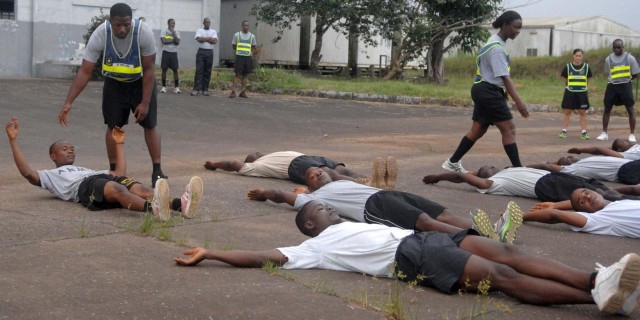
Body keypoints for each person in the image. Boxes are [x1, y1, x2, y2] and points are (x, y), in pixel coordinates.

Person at [175, 200, 640, 316]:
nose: (329, 207)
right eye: (320, 209)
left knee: (506, 250)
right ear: (311, 224)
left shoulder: (352, 221)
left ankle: (595, 279)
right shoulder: (311, 246)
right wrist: (212, 251)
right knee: (500, 277)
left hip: (424, 240)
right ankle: (596, 295)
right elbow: (261, 256)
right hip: (411, 257)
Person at [248, 166, 523, 244]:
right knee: (425, 223)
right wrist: (263, 191)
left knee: (442, 213)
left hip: (389, 194)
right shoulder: (314, 198)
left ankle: (489, 231)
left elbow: (348, 173)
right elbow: (281, 195)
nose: (317, 172)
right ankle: (485, 241)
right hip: (375, 207)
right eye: (311, 175)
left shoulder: (341, 180)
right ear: (309, 187)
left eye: (319, 169)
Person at [6, 117, 203, 221]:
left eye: (72, 149)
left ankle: (179, 205)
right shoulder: (50, 175)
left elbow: (119, 174)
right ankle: (154, 210)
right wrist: (13, 141)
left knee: (141, 189)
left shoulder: (85, 168)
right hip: (85, 187)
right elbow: (27, 173)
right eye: (64, 149)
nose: (70, 151)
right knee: (118, 189)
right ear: (53, 156)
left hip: (98, 177)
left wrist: (119, 143)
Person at [56, 3, 167, 188]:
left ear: (131, 21)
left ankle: (157, 171)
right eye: (118, 25)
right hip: (114, 86)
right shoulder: (101, 34)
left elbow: (149, 70)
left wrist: (145, 102)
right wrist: (68, 102)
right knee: (113, 127)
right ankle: (114, 171)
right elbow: (85, 71)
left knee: (150, 124)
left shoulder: (143, 32)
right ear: (111, 22)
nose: (122, 29)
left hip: (140, 84)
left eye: (126, 24)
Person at [442, 11, 529, 173]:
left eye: (520, 28)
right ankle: (519, 171)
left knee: (478, 129)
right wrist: (519, 102)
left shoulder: (497, 42)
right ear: (505, 25)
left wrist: (503, 93)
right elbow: (505, 77)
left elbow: (495, 75)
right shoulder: (496, 48)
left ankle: (452, 162)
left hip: (484, 89)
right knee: (509, 129)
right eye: (515, 27)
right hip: (487, 91)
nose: (517, 31)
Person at [423, 166, 640, 202]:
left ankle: (631, 200)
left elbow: (540, 165)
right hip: (546, 186)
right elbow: (462, 177)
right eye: (485, 168)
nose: (490, 166)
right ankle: (630, 205)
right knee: (601, 199)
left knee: (602, 188)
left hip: (555, 177)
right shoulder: (493, 182)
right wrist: (440, 176)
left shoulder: (511, 169)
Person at [203, 151, 390, 188]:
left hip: (300, 161)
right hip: (299, 161)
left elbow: (232, 164)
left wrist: (214, 165)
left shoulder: (264, 159)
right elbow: (233, 165)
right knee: (336, 172)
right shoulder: (255, 165)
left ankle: (371, 183)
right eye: (253, 154)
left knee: (338, 171)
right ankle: (370, 182)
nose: (255, 153)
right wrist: (214, 165)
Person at [524, 188, 640, 239]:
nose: (588, 197)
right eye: (582, 201)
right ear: (584, 212)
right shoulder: (600, 219)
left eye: (587, 192)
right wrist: (521, 216)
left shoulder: (616, 203)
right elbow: (555, 215)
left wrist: (556, 204)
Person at [597, 39, 640, 143]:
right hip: (612, 86)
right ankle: (604, 133)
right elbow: (609, 72)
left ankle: (632, 134)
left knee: (630, 110)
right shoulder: (608, 59)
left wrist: (628, 79)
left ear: (623, 47)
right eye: (614, 47)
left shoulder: (629, 58)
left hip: (625, 86)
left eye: (619, 47)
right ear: (612, 47)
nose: (616, 49)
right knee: (607, 109)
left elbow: (636, 74)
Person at [529, 155, 640, 185]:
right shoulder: (574, 169)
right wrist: (519, 167)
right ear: (566, 165)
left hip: (632, 164)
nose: (570, 156)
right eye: (567, 159)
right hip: (629, 171)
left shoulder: (588, 159)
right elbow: (545, 167)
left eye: (569, 155)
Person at [559, 49, 592, 140]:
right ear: (573, 56)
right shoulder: (568, 67)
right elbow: (563, 77)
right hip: (570, 92)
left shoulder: (586, 67)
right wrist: (569, 85)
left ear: (582, 56)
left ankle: (584, 132)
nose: (578, 57)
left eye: (579, 56)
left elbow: (588, 78)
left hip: (582, 92)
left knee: (582, 112)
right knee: (567, 111)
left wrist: (582, 86)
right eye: (576, 55)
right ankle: (564, 131)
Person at [229, 20, 257, 98]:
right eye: (244, 25)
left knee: (245, 75)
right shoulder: (237, 35)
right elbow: (234, 45)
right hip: (239, 57)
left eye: (247, 25)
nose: (246, 27)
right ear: (242, 26)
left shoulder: (252, 36)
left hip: (248, 58)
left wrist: (249, 53)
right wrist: (240, 51)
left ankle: (243, 92)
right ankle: (233, 91)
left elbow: (253, 47)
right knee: (237, 74)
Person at [191, 17, 217, 96]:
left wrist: (204, 39)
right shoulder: (199, 30)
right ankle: (196, 89)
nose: (208, 24)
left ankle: (205, 89)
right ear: (203, 23)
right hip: (201, 52)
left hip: (209, 52)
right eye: (206, 22)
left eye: (209, 22)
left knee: (207, 71)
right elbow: (199, 39)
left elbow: (215, 41)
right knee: (199, 70)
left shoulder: (213, 31)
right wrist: (209, 38)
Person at [159, 18, 181, 94]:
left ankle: (176, 87)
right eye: (172, 23)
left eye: (174, 23)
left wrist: (173, 33)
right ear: (168, 24)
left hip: (174, 53)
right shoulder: (164, 31)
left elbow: (178, 42)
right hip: (166, 52)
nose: (173, 25)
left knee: (175, 70)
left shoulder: (177, 32)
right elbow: (164, 41)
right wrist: (174, 40)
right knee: (164, 70)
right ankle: (164, 87)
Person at [568, 139, 640, 160]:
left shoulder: (634, 146)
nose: (626, 140)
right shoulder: (627, 154)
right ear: (620, 149)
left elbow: (608, 149)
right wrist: (579, 150)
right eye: (623, 141)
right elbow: (598, 149)